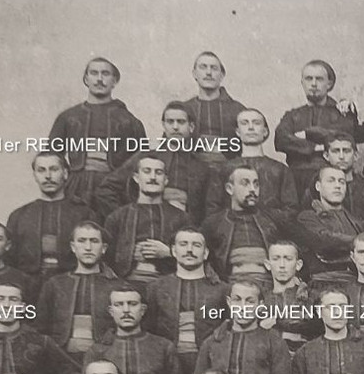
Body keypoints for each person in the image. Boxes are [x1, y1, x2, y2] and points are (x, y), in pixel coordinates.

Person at [191, 277, 295, 374]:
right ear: (228, 302)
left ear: (260, 305)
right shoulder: (213, 342)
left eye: (250, 301)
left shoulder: (273, 341)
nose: (243, 307)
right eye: (237, 300)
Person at [45, 56, 146, 207]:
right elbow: (52, 155)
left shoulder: (129, 121)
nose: (99, 79)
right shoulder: (68, 117)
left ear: (115, 81)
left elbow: (141, 159)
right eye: (94, 73)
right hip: (76, 187)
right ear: (86, 79)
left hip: (113, 190)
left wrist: (118, 182)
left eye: (105, 74)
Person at [96, 102, 212, 221]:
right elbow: (106, 189)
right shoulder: (145, 156)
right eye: (170, 122)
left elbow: (208, 209)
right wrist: (126, 218)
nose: (175, 127)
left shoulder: (201, 167)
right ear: (164, 125)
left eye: (181, 122)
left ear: (191, 127)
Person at [85, 287, 184, 374]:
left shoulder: (163, 347)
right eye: (119, 305)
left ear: (142, 310)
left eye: (132, 304)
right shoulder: (97, 351)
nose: (126, 310)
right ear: (111, 311)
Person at [144, 227, 227, 374]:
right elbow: (149, 330)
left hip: (210, 362)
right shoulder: (155, 288)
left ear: (205, 253)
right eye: (183, 244)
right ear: (173, 251)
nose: (189, 250)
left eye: (196, 245)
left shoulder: (223, 290)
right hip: (167, 363)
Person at [101, 156, 196, 285]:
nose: (153, 177)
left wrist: (169, 252)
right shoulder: (117, 217)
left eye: (158, 172)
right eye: (147, 171)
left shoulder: (181, 218)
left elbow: (196, 255)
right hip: (126, 285)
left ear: (166, 180)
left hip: (168, 286)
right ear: (136, 178)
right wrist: (127, 254)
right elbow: (105, 257)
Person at [275, 58, 359, 198]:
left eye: (319, 79)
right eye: (309, 79)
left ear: (329, 83)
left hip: (330, 179)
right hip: (296, 179)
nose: (313, 84)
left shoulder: (341, 113)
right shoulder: (292, 116)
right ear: (302, 83)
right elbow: (281, 139)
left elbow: (343, 135)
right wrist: (316, 147)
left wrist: (306, 134)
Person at [38, 222, 123, 358]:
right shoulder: (55, 284)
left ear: (104, 248)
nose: (88, 247)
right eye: (82, 241)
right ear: (73, 247)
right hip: (59, 358)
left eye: (94, 241)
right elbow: (41, 328)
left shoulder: (118, 286)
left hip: (105, 358)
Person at [5, 152, 96, 281]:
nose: (48, 176)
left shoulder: (83, 214)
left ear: (65, 174)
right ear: (35, 176)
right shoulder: (19, 216)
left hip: (71, 282)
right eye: (41, 170)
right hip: (28, 284)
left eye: (54, 169)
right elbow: (9, 260)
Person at [202, 107, 299, 220]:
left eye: (256, 123)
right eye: (244, 123)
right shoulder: (223, 169)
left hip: (271, 232)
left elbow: (291, 209)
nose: (251, 127)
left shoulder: (280, 170)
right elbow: (212, 209)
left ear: (265, 131)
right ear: (237, 132)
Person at [201, 166, 281, 284]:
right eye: (245, 184)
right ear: (229, 189)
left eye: (256, 184)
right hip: (231, 286)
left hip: (268, 284)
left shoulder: (272, 220)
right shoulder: (214, 223)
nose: (253, 189)